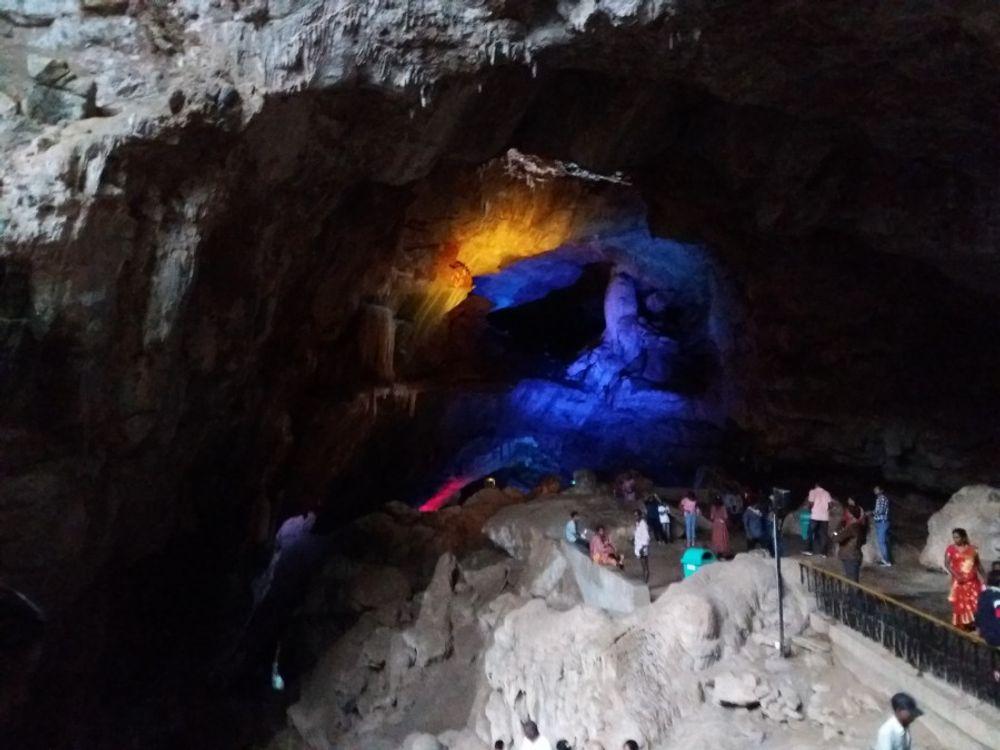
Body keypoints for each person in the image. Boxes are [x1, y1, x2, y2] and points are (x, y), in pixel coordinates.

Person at [944, 528, 986, 630]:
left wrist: (985, 577)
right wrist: (956, 575)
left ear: (963, 537)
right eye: (954, 537)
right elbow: (947, 564)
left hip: (972, 581)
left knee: (974, 602)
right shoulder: (950, 549)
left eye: (957, 537)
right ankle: (964, 624)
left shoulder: (973, 549)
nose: (955, 539)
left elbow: (978, 565)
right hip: (959, 582)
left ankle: (974, 623)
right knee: (962, 604)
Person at [832, 500, 867, 582]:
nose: (845, 514)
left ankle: (854, 591)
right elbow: (863, 541)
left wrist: (837, 529)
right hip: (854, 556)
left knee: (852, 582)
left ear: (851, 515)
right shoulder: (859, 526)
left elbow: (835, 538)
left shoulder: (852, 527)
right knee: (852, 581)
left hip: (850, 557)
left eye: (847, 513)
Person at [804, 483, 833, 557]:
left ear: (816, 485)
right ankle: (823, 553)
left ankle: (809, 550)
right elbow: (831, 505)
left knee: (810, 533)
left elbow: (811, 503)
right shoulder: (827, 493)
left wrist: (810, 508)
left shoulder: (812, 492)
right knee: (823, 535)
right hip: (824, 517)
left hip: (815, 516)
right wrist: (826, 510)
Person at [976, 565, 1000, 647]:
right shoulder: (997, 599)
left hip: (985, 633)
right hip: (996, 636)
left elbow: (978, 614)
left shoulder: (984, 595)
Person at [872, 485, 892, 566]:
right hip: (881, 522)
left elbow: (880, 511)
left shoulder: (882, 499)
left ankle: (887, 561)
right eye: (875, 489)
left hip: (882, 522)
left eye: (876, 489)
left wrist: (871, 512)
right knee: (883, 541)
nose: (875, 490)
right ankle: (885, 559)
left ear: (881, 490)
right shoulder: (879, 499)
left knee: (881, 542)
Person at [633, 509, 651, 584]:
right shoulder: (638, 523)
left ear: (640, 515)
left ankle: (645, 583)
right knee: (643, 566)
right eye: (635, 516)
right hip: (639, 546)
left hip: (642, 548)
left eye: (637, 515)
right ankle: (645, 581)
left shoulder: (643, 524)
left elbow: (646, 537)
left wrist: (642, 548)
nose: (636, 517)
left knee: (645, 566)